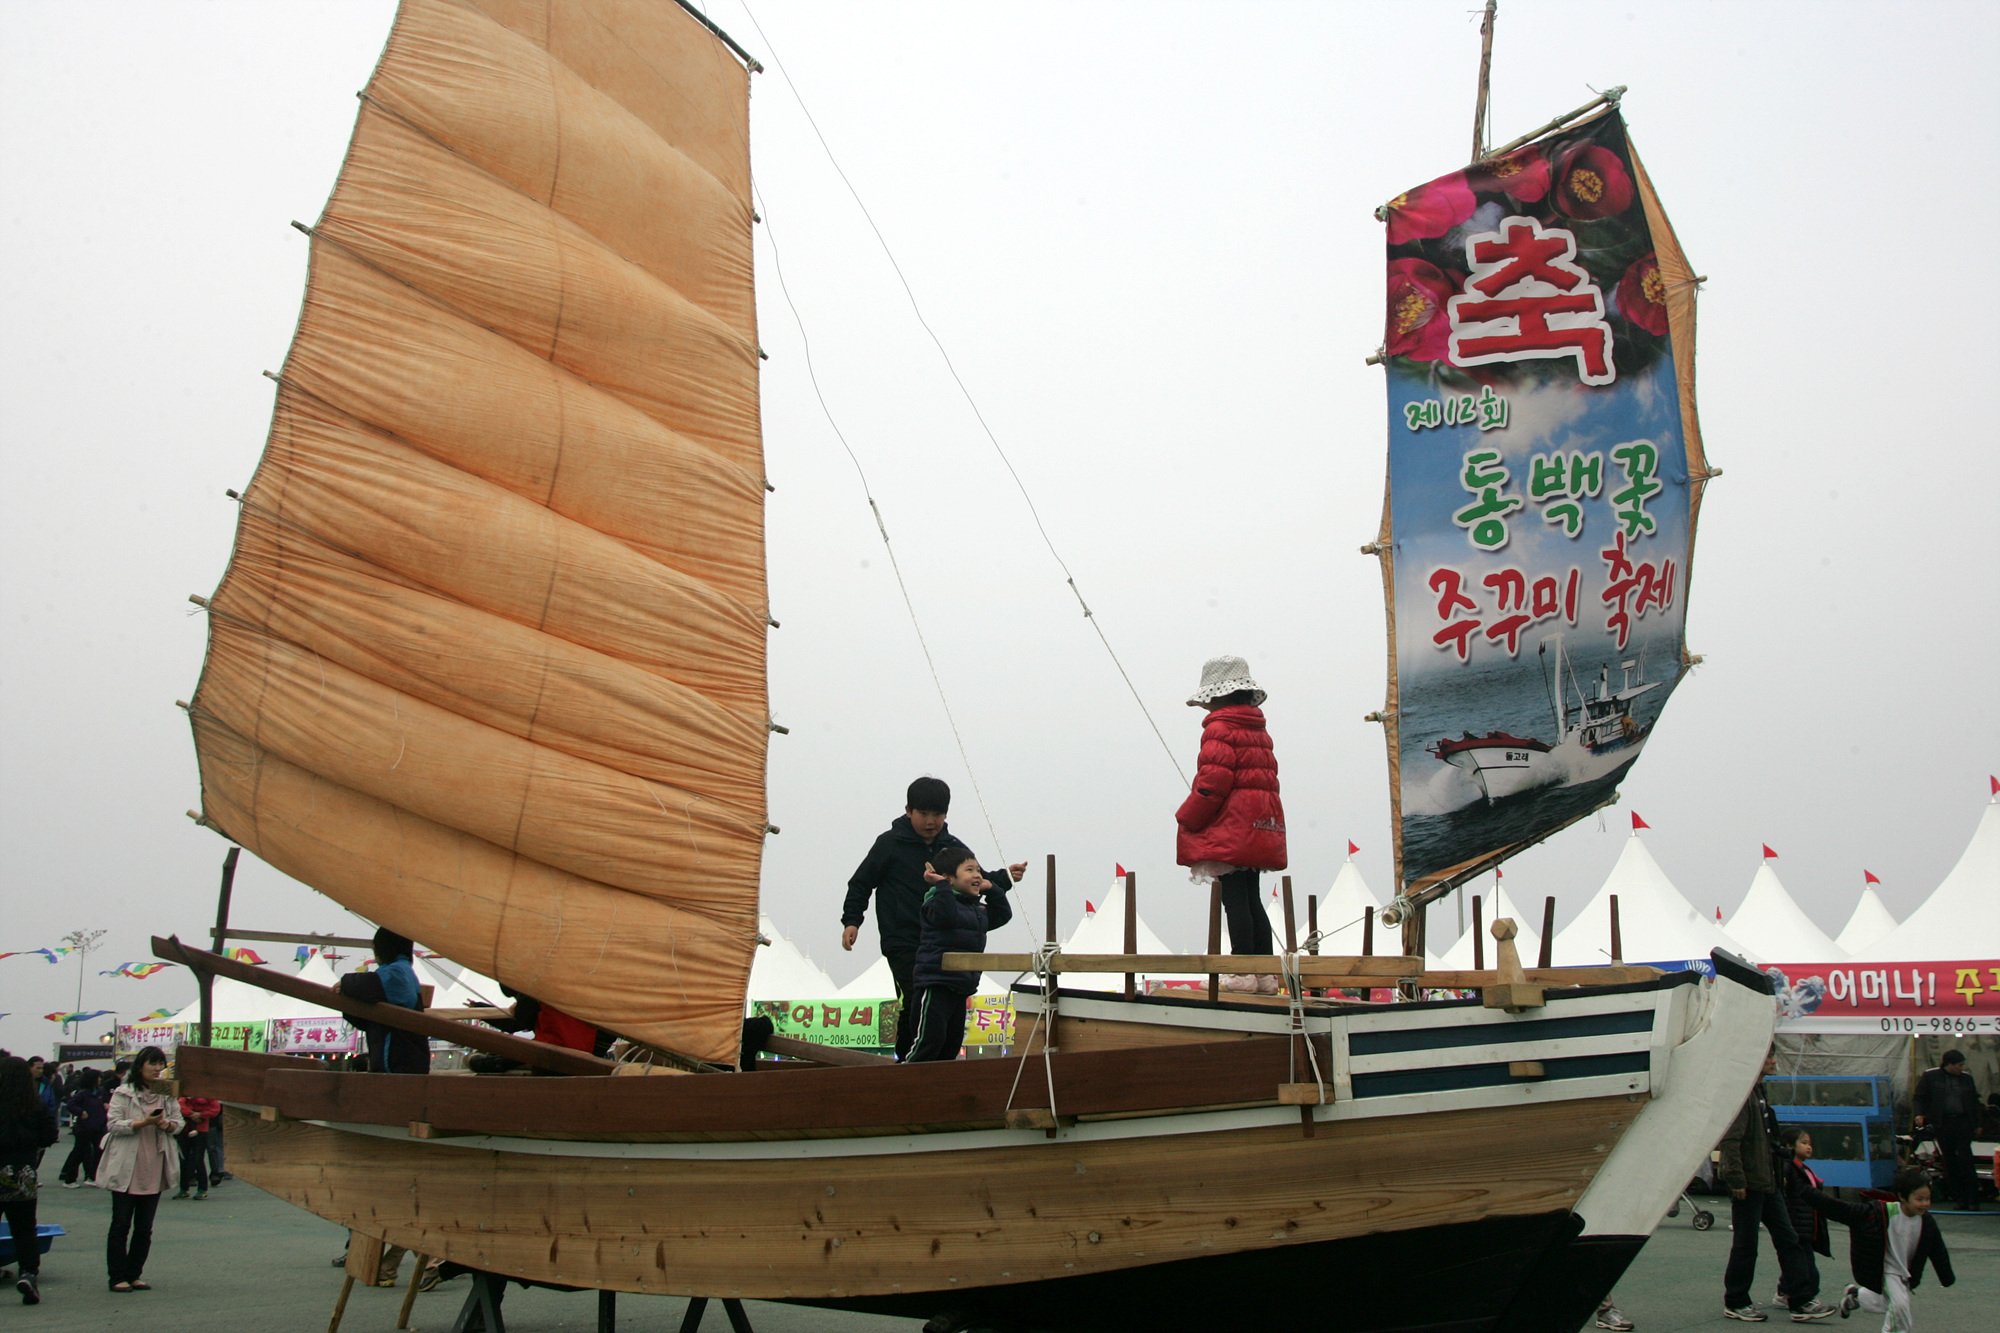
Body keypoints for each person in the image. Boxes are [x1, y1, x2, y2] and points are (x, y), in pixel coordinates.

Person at [841, 777, 1023, 1060]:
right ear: (908, 811)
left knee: (946, 1005)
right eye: (923, 813)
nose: (930, 821)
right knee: (915, 999)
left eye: (937, 814)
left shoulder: (952, 848)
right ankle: (909, 1059)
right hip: (903, 940)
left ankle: (938, 1065)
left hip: (944, 942)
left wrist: (1005, 878)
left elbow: (974, 879)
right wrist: (852, 920)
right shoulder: (889, 844)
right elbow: (861, 883)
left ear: (946, 814)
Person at [1175, 656, 1287, 995]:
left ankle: (1242, 971)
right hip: (1260, 820)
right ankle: (1265, 973)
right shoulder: (1258, 729)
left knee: (1235, 897)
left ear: (1218, 696)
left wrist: (1187, 815)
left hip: (1232, 822)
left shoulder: (1219, 729)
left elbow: (1213, 781)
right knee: (1251, 896)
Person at [1717, 1048, 1833, 1321]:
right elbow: (1730, 1141)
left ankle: (1799, 1298)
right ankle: (1736, 1300)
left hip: (1768, 1183)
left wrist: (1783, 1155)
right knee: (1746, 1245)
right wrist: (1736, 1179)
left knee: (1789, 1239)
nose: (1774, 1061)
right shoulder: (1744, 1097)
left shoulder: (1759, 1096)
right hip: (1750, 1184)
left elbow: (1763, 1141)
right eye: (1769, 1057)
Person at [1808, 1166, 1954, 1330]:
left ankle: (1856, 1297)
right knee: (1899, 1307)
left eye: (1927, 1199)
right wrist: (1808, 1193)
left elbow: (1938, 1250)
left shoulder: (1927, 1222)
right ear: (1902, 1197)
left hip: (1906, 1273)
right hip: (1887, 1269)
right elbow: (1841, 1210)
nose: (1925, 1204)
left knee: (1890, 1302)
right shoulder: (1881, 1213)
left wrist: (1946, 1277)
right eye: (1919, 1199)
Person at [905, 845, 1013, 1063]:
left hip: (961, 986)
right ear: (948, 878)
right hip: (936, 983)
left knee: (951, 1043)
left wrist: (991, 888)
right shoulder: (935, 902)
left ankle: (938, 1089)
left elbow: (1002, 915)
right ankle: (905, 1078)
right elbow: (945, 916)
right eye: (969, 870)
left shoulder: (977, 911)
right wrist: (942, 886)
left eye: (978, 871)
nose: (976, 875)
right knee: (929, 1041)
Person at [97, 1045, 183, 1292]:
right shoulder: (124, 1092)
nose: (157, 1069)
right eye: (152, 1064)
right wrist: (142, 1122)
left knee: (144, 1227)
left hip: (154, 1164)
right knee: (121, 1224)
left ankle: (134, 1273)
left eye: (160, 1064)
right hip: (126, 1163)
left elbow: (179, 1122)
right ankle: (117, 1276)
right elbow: (113, 1124)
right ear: (140, 1066)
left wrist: (167, 1124)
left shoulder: (167, 1092)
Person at [0, 1055, 60, 1304]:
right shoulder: (34, 1104)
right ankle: (28, 1274)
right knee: (24, 1229)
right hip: (23, 1172)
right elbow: (50, 1134)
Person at [336, 928, 430, 1074]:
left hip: (399, 1064)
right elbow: (369, 1021)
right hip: (402, 1062)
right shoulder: (402, 970)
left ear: (384, 948)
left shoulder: (397, 972)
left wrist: (345, 982)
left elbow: (372, 984)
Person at [1911, 1049, 1980, 1211]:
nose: (1961, 1068)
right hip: (1943, 1123)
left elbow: (1974, 1101)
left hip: (1963, 1122)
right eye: (1959, 1065)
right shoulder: (1931, 1077)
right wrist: (1919, 1113)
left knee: (1965, 1159)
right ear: (1949, 1064)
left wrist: (1977, 1123)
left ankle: (1973, 1198)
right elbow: (1919, 1097)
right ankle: (1960, 1198)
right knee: (1950, 1160)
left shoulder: (1966, 1079)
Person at [1775, 1127, 1830, 1312]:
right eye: (1804, 1143)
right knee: (1807, 1266)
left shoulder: (1804, 1169)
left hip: (1808, 1225)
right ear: (1790, 1146)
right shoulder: (1787, 1168)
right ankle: (1807, 1298)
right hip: (1797, 1224)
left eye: (1810, 1144)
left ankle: (1783, 1292)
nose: (1809, 1147)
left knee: (1797, 1262)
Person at [57, 1068, 108, 1188]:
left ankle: (92, 1176)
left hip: (98, 1127)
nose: (100, 1080)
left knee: (98, 1152)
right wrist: (80, 1112)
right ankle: (69, 1179)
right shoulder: (83, 1093)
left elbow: (106, 1102)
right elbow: (70, 1105)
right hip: (84, 1128)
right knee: (79, 1153)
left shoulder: (101, 1092)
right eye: (98, 1077)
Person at [172, 1093, 220, 1201]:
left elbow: (215, 1109)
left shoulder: (207, 1095)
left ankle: (202, 1189)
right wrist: (194, 1115)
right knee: (184, 1159)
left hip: (201, 1130)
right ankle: (184, 1189)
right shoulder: (185, 1095)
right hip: (185, 1129)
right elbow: (180, 1105)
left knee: (198, 1159)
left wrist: (201, 1115)